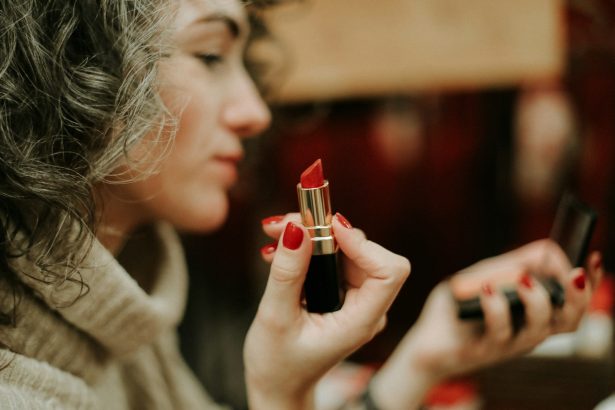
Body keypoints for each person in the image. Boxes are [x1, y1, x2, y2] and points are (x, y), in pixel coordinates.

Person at [0, 0, 603, 409]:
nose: (256, 112)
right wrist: (279, 395)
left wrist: (426, 354)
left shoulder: (122, 314)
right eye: (209, 55)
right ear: (69, 68)